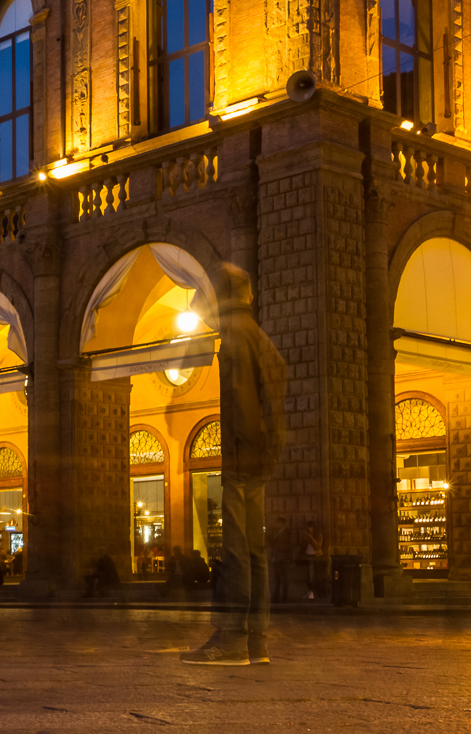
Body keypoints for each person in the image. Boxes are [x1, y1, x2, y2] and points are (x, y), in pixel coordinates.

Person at [182, 264, 286, 667]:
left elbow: (240, 397)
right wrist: (269, 445)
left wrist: (240, 451)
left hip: (242, 456)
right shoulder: (256, 334)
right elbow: (278, 374)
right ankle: (256, 640)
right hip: (259, 455)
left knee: (236, 550)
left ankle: (230, 638)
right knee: (256, 551)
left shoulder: (234, 339)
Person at [269, 517, 293, 604]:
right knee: (277, 579)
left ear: (282, 523)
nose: (276, 525)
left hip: (282, 559)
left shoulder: (286, 533)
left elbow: (288, 547)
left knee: (283, 579)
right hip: (276, 558)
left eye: (277, 523)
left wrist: (287, 558)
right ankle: (276, 597)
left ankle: (284, 597)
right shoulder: (277, 533)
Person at [301, 520, 325, 601]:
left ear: (314, 528)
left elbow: (318, 546)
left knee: (313, 575)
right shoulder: (306, 535)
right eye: (308, 527)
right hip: (307, 556)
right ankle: (309, 591)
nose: (309, 529)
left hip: (315, 556)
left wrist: (311, 537)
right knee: (307, 575)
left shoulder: (319, 535)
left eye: (310, 527)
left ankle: (312, 591)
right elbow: (303, 546)